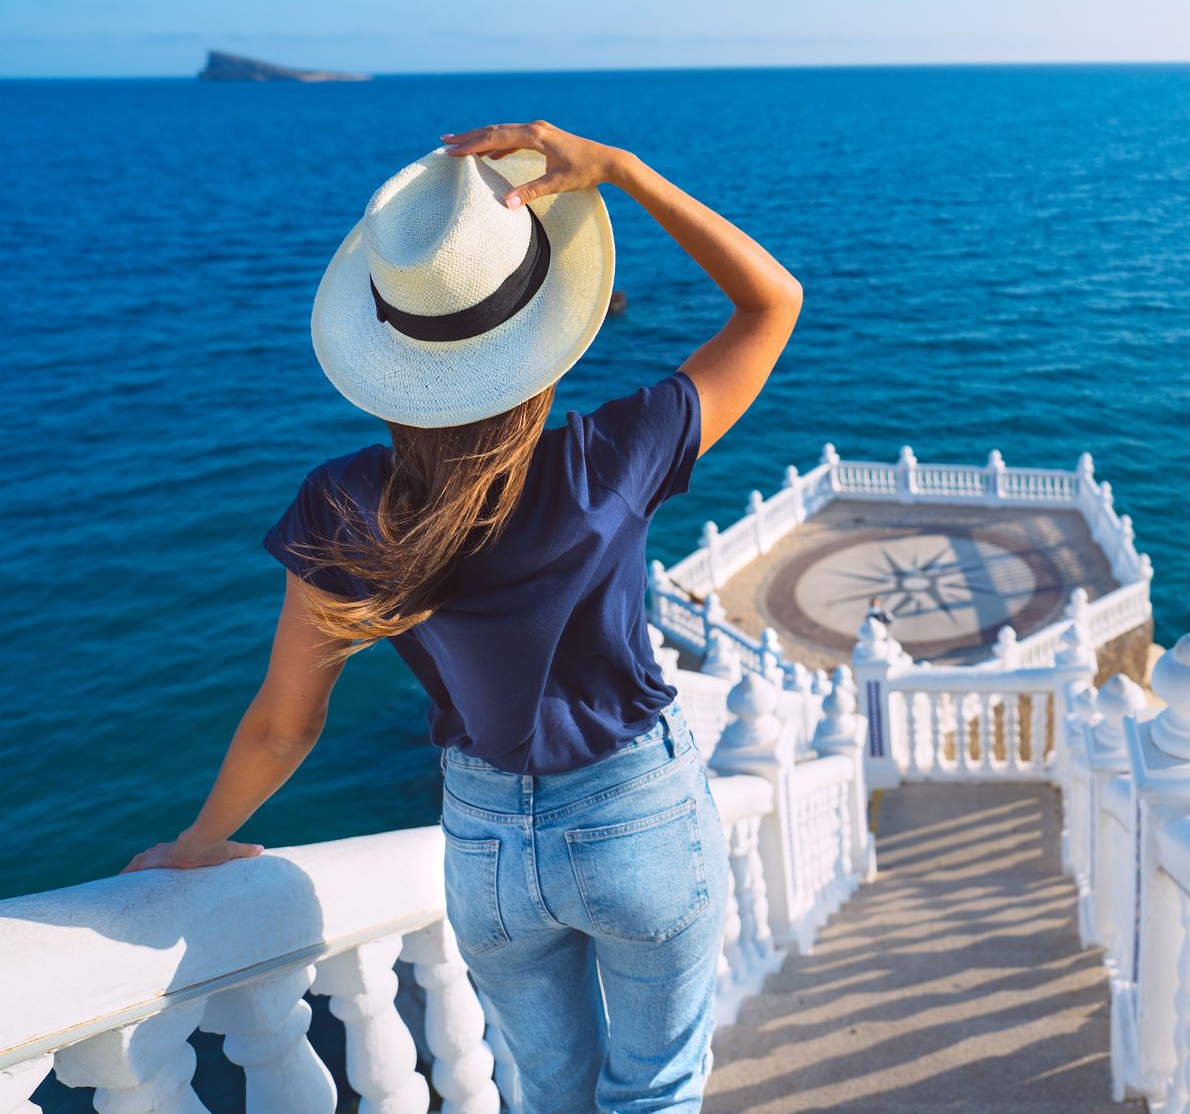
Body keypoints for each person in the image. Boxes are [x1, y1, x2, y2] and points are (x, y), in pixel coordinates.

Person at [123, 120, 802, 1112]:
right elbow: (770, 299)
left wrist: (195, 844)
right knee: (653, 1092)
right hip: (635, 814)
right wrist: (622, 168)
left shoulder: (343, 503)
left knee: (547, 1097)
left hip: (484, 843)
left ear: (395, 343)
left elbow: (284, 724)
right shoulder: (610, 457)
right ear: (544, 330)